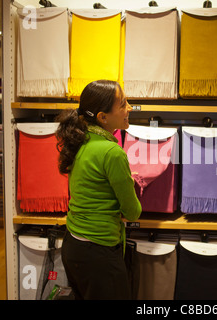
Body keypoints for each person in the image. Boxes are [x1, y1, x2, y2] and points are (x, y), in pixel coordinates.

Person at [55, 80, 141, 300]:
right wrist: (129, 185)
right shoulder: (112, 152)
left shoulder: (80, 140)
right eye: (122, 104)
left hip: (73, 245)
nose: (129, 108)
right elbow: (133, 212)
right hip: (99, 253)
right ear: (103, 117)